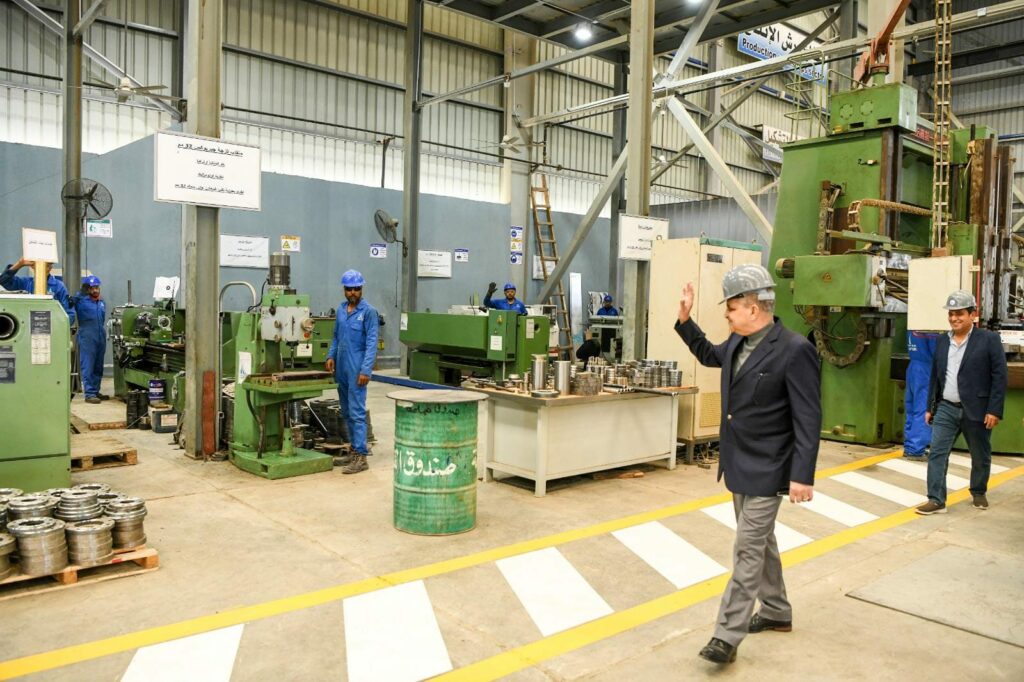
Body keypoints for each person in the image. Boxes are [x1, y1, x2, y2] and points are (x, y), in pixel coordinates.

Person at [674, 263, 821, 665]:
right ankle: (776, 610)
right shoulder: (738, 342)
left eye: (731, 307)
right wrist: (685, 320)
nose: (726, 314)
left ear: (754, 308)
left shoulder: (794, 350)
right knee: (761, 542)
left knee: (747, 549)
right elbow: (709, 355)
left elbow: (808, 417)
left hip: (771, 467)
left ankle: (726, 634)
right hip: (739, 464)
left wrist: (802, 475)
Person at [916, 291, 1007, 515]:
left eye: (959, 314)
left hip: (977, 408)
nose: (954, 318)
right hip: (946, 407)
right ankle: (936, 499)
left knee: (980, 454)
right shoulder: (942, 341)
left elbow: (999, 376)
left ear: (972, 315)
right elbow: (936, 375)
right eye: (951, 314)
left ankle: (978, 491)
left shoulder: (988, 340)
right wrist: (930, 407)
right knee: (937, 453)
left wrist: (994, 410)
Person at [325, 270, 379, 475]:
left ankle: (361, 457)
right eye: (349, 289)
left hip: (357, 368)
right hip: (341, 367)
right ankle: (353, 450)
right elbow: (336, 337)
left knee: (356, 413)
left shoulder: (369, 312)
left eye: (356, 288)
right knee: (346, 412)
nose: (353, 292)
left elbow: (372, 343)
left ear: (361, 289)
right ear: (344, 290)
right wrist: (330, 356)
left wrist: (366, 369)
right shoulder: (341, 310)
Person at [0, 257, 75, 323]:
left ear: (51, 267)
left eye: (48, 265)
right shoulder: (25, 283)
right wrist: (20, 263)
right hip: (27, 328)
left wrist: (54, 327)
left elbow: (70, 315)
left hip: (52, 330)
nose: (45, 268)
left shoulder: (58, 286)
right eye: (39, 264)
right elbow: (3, 281)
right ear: (32, 266)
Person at [73, 275, 108, 404]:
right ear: (87, 289)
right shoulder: (81, 301)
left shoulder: (101, 302)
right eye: (92, 288)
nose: (95, 290)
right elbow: (72, 301)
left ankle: (96, 391)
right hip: (87, 335)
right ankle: (89, 393)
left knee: (98, 365)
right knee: (88, 364)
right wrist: (80, 293)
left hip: (100, 335)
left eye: (97, 287)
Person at [903, 331, 938, 459]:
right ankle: (916, 449)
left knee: (912, 408)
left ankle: (910, 446)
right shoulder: (931, 329)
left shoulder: (913, 326)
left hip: (913, 367)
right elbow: (937, 353)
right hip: (926, 370)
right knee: (924, 409)